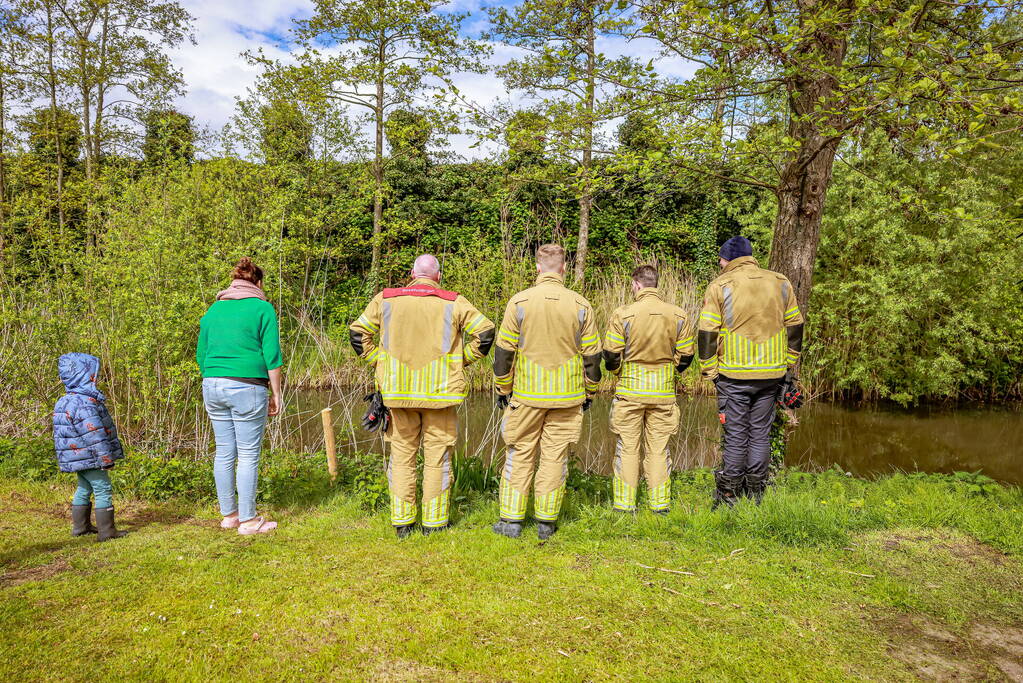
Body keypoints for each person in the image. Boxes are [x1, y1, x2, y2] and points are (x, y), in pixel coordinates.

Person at [349, 254, 495, 538]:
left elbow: (358, 334)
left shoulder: (386, 299)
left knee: (402, 457)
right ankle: (434, 523)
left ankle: (403, 524)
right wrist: (460, 361)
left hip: (398, 393)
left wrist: (380, 361)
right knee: (437, 458)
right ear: (438, 277)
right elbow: (486, 333)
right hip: (439, 395)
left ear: (411, 273)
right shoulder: (453, 301)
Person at [492, 244, 602, 540]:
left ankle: (512, 522)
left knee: (519, 452)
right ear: (563, 268)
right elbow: (593, 356)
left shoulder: (520, 302)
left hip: (526, 395)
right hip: (567, 397)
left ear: (538, 268)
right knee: (555, 457)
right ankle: (546, 523)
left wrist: (504, 388)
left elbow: (503, 354)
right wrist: (590, 391)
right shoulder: (581, 305)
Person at [697, 236, 804, 508]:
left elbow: (707, 331)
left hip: (733, 375)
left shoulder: (720, 285)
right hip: (771, 374)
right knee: (759, 434)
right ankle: (755, 495)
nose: (719, 263)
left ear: (729, 259)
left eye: (721, 259)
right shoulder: (780, 282)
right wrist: (790, 360)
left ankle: (728, 497)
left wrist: (710, 371)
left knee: (735, 437)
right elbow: (796, 324)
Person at [196, 258, 283, 535]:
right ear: (257, 283)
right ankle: (248, 521)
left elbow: (201, 354)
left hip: (212, 383)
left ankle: (229, 516)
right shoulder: (262, 308)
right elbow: (272, 356)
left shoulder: (213, 311)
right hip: (247, 385)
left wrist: (214, 378)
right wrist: (276, 394)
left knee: (224, 451)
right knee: (247, 455)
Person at [602, 265, 694, 514]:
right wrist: (670, 371)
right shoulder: (678, 314)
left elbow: (610, 355)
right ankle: (660, 506)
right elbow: (686, 356)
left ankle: (624, 506)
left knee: (628, 448)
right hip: (663, 393)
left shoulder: (623, 313)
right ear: (656, 283)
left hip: (630, 391)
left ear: (636, 285)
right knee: (659, 449)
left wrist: (619, 372)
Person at [53, 353, 128, 541]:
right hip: (91, 455)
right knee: (103, 487)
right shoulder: (85, 403)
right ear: (83, 375)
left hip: (77, 456)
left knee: (84, 487)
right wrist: (105, 459)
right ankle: (107, 531)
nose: (96, 377)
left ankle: (81, 527)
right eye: (92, 374)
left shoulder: (66, 400)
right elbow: (94, 435)